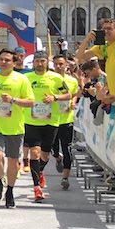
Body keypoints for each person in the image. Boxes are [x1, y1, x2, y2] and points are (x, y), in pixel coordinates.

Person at [0, 49, 36, 208]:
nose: (4, 62)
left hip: (14, 127)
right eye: (2, 59)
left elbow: (31, 102)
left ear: (14, 63)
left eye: (8, 60)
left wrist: (13, 100)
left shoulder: (21, 79)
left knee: (13, 161)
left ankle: (10, 191)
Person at [22, 50, 71, 203]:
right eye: (37, 61)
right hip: (31, 121)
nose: (40, 64)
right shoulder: (26, 78)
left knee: (45, 156)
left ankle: (40, 171)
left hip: (51, 121)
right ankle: (37, 188)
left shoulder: (56, 78)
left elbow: (68, 94)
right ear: (33, 62)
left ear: (46, 63)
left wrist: (55, 97)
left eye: (42, 61)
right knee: (34, 153)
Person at [75, 18, 115, 103]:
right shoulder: (104, 46)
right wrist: (87, 40)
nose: (106, 31)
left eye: (109, 29)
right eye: (104, 29)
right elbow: (79, 57)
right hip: (114, 96)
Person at [51, 55, 80, 190]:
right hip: (52, 119)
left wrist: (73, 103)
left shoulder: (72, 80)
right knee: (53, 148)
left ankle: (65, 177)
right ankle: (57, 158)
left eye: (61, 64)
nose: (59, 66)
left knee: (67, 148)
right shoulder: (50, 79)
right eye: (56, 64)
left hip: (66, 119)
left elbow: (75, 93)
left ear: (66, 65)